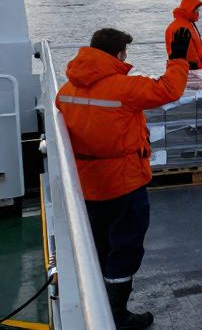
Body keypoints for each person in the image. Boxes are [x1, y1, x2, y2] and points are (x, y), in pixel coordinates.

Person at [57, 26, 193, 329]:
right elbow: (169, 90)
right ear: (119, 54)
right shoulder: (123, 88)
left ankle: (99, 301)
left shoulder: (65, 92)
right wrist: (178, 59)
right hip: (123, 184)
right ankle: (116, 313)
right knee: (126, 246)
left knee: (101, 244)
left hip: (86, 185)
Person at [164, 0, 202, 70]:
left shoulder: (189, 24)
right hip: (186, 70)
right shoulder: (175, 27)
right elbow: (172, 53)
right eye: (197, 11)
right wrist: (186, 65)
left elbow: (197, 46)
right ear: (190, 10)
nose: (198, 13)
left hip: (194, 68)